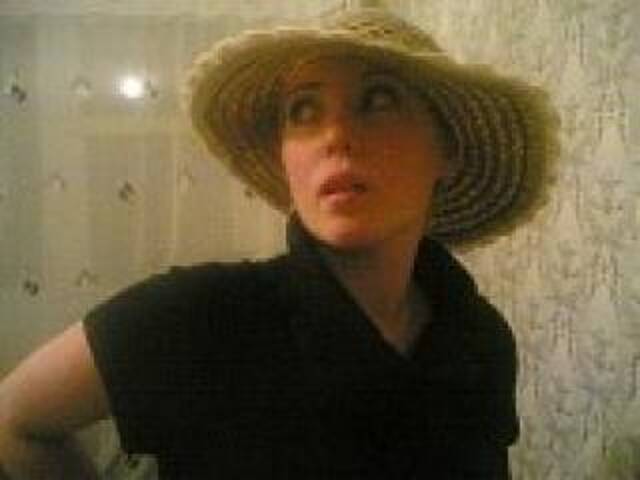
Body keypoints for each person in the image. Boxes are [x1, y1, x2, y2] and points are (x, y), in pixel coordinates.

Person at [0, 7, 559, 479]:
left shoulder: (480, 338)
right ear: (285, 159)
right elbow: (14, 420)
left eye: (379, 98)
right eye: (304, 110)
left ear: (448, 149)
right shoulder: (204, 315)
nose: (335, 135)